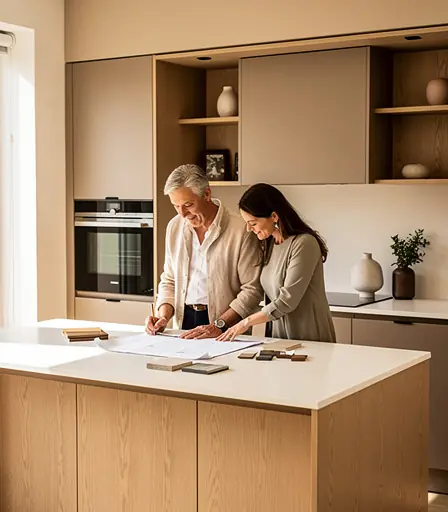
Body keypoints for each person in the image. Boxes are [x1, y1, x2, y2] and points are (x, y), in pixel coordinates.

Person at [146, 164, 263, 339]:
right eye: (176, 206)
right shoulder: (174, 226)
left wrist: (219, 325)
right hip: (183, 321)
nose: (183, 213)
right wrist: (163, 316)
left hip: (226, 327)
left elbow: (252, 290)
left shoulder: (240, 230)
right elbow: (169, 280)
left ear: (206, 194)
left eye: (188, 205)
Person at [217, 183, 336, 342]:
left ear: (274, 216)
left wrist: (245, 323)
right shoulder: (269, 245)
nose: (248, 229)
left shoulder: (304, 244)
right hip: (280, 339)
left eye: (253, 223)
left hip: (309, 336)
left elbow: (287, 300)